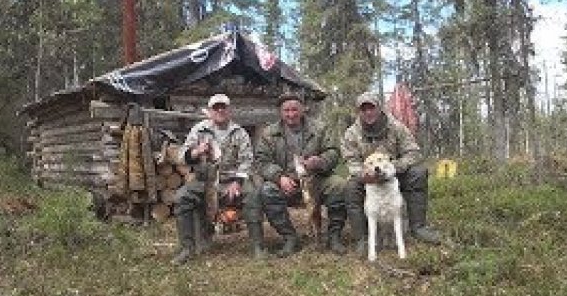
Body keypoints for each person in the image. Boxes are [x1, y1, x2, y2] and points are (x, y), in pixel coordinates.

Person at [342, 91, 444, 254]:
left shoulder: (395, 126)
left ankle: (418, 227)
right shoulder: (351, 133)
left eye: (372, 108)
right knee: (350, 188)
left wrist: (394, 168)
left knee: (418, 173)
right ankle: (363, 238)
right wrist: (363, 174)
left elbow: (413, 152)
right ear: (359, 112)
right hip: (368, 178)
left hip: (395, 175)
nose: (368, 112)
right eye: (363, 109)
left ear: (379, 108)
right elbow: (351, 161)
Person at [172, 93, 262, 264]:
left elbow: (248, 161)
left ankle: (257, 246)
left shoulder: (239, 132)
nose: (220, 110)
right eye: (216, 107)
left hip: (231, 180)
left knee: (252, 195)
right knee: (181, 197)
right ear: (210, 111)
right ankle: (186, 248)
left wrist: (238, 182)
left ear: (229, 110)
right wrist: (196, 152)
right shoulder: (199, 130)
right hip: (204, 181)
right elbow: (182, 157)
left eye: (223, 107)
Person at [255, 93, 347, 256]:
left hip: (316, 179)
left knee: (339, 185)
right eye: (286, 110)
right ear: (280, 112)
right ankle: (290, 238)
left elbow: (333, 152)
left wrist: (320, 161)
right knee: (267, 190)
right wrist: (279, 177)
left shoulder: (320, 128)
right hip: (286, 182)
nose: (291, 114)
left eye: (295, 109)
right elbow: (261, 161)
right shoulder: (269, 133)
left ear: (303, 109)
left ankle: (334, 236)